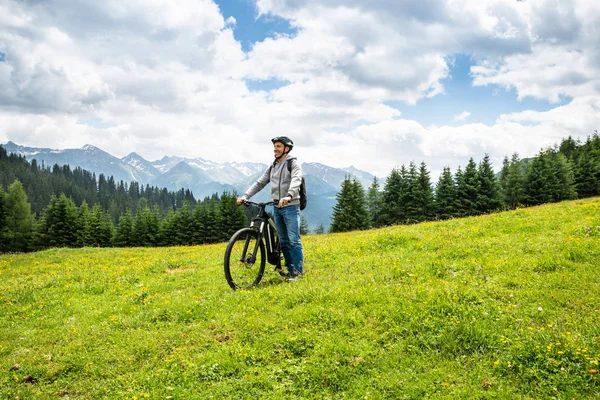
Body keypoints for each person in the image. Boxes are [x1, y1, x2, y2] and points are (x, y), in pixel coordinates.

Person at [237, 136, 305, 280]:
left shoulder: (293, 164)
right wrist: (246, 196)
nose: (275, 149)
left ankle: (298, 272)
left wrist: (289, 196)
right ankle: (290, 270)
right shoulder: (273, 165)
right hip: (277, 206)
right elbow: (260, 182)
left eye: (278, 146)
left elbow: (296, 180)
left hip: (290, 206)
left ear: (286, 149)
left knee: (293, 240)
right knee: (284, 240)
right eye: (274, 147)